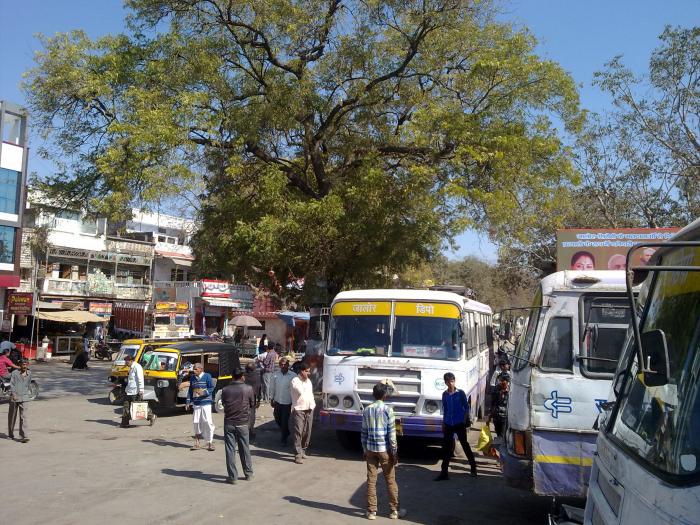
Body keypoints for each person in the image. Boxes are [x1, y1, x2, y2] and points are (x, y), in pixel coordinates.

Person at [361, 382, 406, 520]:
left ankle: (371, 511)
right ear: (385, 395)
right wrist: (394, 452)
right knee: (390, 480)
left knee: (371, 480)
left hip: (370, 449)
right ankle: (394, 511)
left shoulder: (367, 410)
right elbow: (392, 435)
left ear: (374, 395)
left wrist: (364, 449)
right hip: (384, 450)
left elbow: (363, 432)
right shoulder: (388, 410)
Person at [435, 372, 477, 480]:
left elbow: (466, 407)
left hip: (459, 423)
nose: (451, 383)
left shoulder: (461, 393)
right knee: (447, 448)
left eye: (452, 381)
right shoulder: (444, 395)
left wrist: (464, 419)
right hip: (449, 423)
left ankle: (473, 468)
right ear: (445, 382)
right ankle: (444, 473)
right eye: (448, 382)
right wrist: (444, 422)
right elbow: (445, 409)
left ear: (454, 381)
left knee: (465, 445)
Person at [221, 368, 255, 484]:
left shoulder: (225, 389)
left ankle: (233, 477)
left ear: (232, 376)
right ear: (242, 376)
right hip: (243, 422)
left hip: (229, 422)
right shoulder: (248, 388)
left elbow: (224, 403)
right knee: (245, 448)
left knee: (230, 449)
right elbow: (252, 404)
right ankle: (248, 474)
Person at [187, 363, 216, 451]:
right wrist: (188, 402)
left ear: (201, 369)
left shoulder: (207, 376)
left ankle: (210, 442)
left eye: (196, 369)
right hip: (196, 403)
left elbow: (211, 388)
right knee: (196, 422)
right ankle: (197, 443)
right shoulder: (192, 378)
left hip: (206, 403)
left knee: (207, 422)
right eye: (194, 369)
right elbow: (190, 390)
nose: (194, 371)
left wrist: (204, 392)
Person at [290, 362, 315, 464]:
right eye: (307, 371)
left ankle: (303, 450)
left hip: (309, 408)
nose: (309, 373)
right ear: (302, 371)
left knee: (307, 431)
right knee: (298, 432)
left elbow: (310, 394)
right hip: (299, 409)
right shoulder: (295, 380)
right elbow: (300, 391)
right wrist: (302, 380)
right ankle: (297, 454)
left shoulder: (308, 381)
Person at [270, 357, 296, 445]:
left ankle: (284, 438)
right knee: (277, 417)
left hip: (287, 402)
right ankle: (286, 431)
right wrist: (271, 398)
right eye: (281, 364)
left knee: (284, 420)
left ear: (288, 365)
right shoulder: (275, 375)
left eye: (285, 364)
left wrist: (295, 401)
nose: (283, 366)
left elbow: (295, 389)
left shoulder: (293, 375)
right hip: (277, 400)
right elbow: (272, 387)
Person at [8, 359, 32, 442]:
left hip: (24, 397)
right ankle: (10, 433)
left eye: (26, 364)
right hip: (15, 397)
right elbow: (12, 384)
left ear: (27, 365)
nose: (24, 366)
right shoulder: (14, 373)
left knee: (23, 416)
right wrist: (13, 394)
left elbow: (28, 384)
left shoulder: (29, 373)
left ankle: (24, 436)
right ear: (20, 365)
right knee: (12, 416)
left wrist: (28, 393)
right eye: (23, 364)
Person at [121, 354, 144, 428]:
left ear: (131, 361)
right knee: (126, 406)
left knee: (137, 407)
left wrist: (141, 389)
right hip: (129, 390)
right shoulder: (131, 367)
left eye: (126, 362)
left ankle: (151, 416)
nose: (125, 363)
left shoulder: (137, 367)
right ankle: (124, 423)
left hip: (135, 391)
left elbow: (140, 378)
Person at [489, 372, 510, 438]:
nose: (501, 382)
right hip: (496, 417)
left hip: (505, 418)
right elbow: (492, 402)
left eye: (502, 381)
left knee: (502, 435)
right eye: (500, 380)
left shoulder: (511, 391)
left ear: (507, 381)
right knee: (498, 433)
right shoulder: (496, 389)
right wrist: (490, 416)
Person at [244, 362, 261, 440]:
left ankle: (246, 431)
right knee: (251, 416)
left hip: (243, 399)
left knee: (244, 416)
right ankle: (250, 430)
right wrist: (258, 400)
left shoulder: (243, 376)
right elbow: (258, 388)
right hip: (252, 400)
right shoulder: (256, 376)